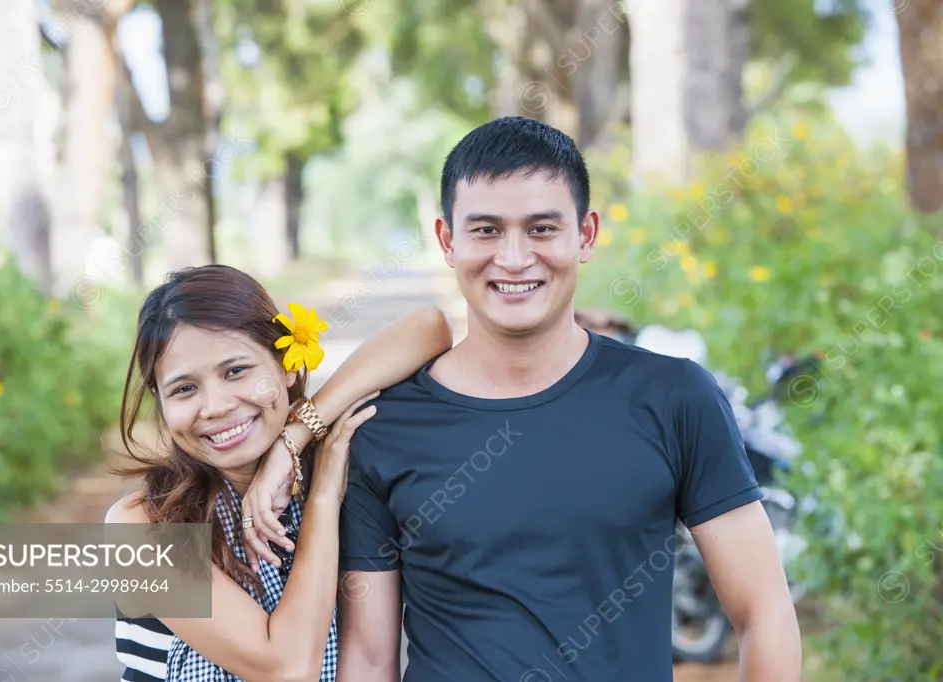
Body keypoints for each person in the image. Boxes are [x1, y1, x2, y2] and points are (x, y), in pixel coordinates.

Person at [247, 117, 802, 681]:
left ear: (585, 235)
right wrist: (297, 444)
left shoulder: (675, 398)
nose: (514, 259)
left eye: (541, 229)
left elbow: (764, 612)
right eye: (486, 230)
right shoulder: (171, 524)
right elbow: (336, 660)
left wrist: (296, 435)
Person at [105, 264, 453, 682]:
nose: (215, 406)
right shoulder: (142, 523)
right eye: (184, 389)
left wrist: (296, 439)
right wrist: (323, 499)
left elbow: (428, 328)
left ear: (287, 365)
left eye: (236, 371)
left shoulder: (331, 458)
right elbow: (285, 669)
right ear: (161, 403)